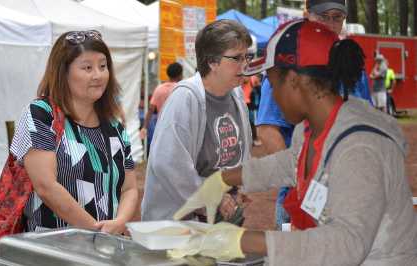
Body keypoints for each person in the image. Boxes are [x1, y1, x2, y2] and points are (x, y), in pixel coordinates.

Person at [172, 19, 417, 265]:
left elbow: (345, 243)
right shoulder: (309, 128)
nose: (273, 97)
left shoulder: (360, 148)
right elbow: (289, 164)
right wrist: (222, 180)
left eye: (272, 83)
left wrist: (243, 240)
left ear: (293, 81)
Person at [254, 0, 373, 230]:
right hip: (302, 201)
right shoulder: (286, 64)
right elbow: (268, 130)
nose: (329, 24)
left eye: (336, 17)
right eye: (323, 16)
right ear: (307, 16)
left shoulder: (353, 68)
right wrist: (301, 178)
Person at [9, 30, 138, 234]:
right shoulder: (41, 115)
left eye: (103, 66)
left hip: (106, 250)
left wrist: (120, 222)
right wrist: (97, 231)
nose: (98, 75)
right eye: (87, 67)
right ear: (63, 72)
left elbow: (129, 188)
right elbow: (46, 187)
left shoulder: (114, 126)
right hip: (53, 249)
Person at [141, 19, 253, 223]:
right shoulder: (186, 98)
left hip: (221, 219)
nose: (245, 64)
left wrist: (238, 188)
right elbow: (169, 165)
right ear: (212, 61)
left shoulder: (236, 96)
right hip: (182, 226)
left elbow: (238, 154)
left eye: (247, 57)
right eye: (237, 58)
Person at [140, 62, 183, 153]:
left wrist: (144, 127)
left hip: (161, 127)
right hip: (178, 128)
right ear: (180, 75)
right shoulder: (181, 88)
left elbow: (151, 109)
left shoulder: (159, 89)